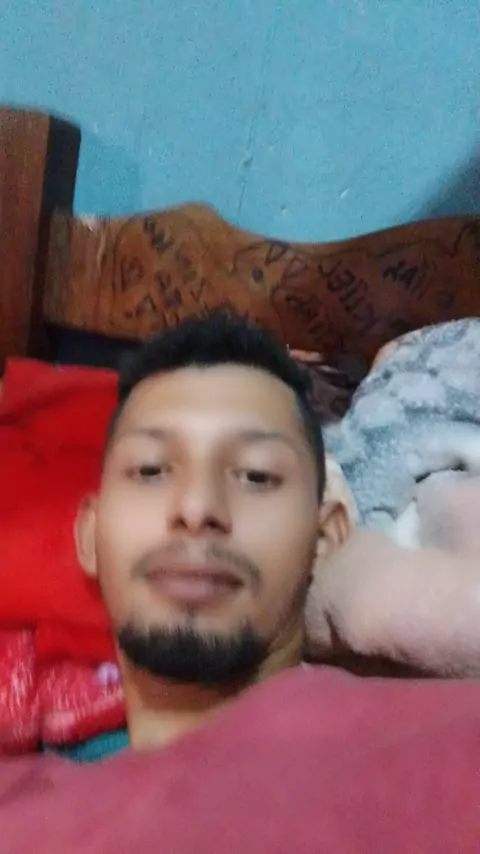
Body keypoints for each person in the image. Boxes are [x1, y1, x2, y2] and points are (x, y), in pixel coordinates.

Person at [75, 309, 348, 749]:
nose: (197, 507)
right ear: (89, 537)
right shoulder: (27, 781)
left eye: (256, 476)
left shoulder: (422, 758)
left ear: (324, 540)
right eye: (150, 470)